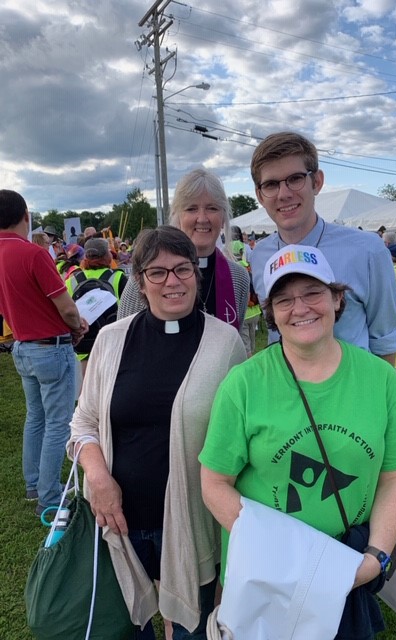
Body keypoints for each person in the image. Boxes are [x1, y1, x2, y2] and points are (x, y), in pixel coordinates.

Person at [200, 244, 396, 639]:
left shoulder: (381, 380)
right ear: (270, 313)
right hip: (264, 581)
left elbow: (394, 477)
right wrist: (281, 554)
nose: (300, 308)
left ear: (337, 299)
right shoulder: (244, 384)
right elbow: (214, 483)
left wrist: (373, 558)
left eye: (312, 293)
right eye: (284, 299)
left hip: (346, 572)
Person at [68, 226, 246, 640]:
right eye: (158, 272)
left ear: (196, 275)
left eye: (183, 269)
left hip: (192, 519)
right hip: (118, 516)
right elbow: (83, 422)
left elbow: (243, 434)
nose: (172, 282)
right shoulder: (111, 340)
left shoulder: (225, 344)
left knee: (192, 627)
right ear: (140, 281)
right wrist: (97, 476)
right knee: (129, 625)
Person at [249, 132, 396, 363]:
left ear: (317, 182)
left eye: (295, 179)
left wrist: (379, 397)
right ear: (260, 195)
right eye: (271, 184)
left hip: (353, 392)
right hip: (286, 393)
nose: (283, 194)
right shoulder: (260, 256)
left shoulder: (367, 250)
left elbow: (385, 339)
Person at [0, 190, 88, 515]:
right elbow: (66, 308)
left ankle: (33, 485)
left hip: (22, 347)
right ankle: (50, 499)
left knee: (35, 418)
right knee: (57, 423)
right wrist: (78, 325)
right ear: (26, 216)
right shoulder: (34, 254)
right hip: (50, 347)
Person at [117, 169, 249, 332]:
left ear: (223, 218)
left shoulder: (238, 277)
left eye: (212, 208)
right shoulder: (150, 275)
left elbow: (237, 336)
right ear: (177, 217)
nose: (202, 218)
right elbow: (123, 336)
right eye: (191, 209)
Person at [66, 238, 127, 376]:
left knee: (87, 388)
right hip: (112, 342)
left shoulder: (72, 280)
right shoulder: (118, 278)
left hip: (83, 343)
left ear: (85, 257)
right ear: (107, 255)